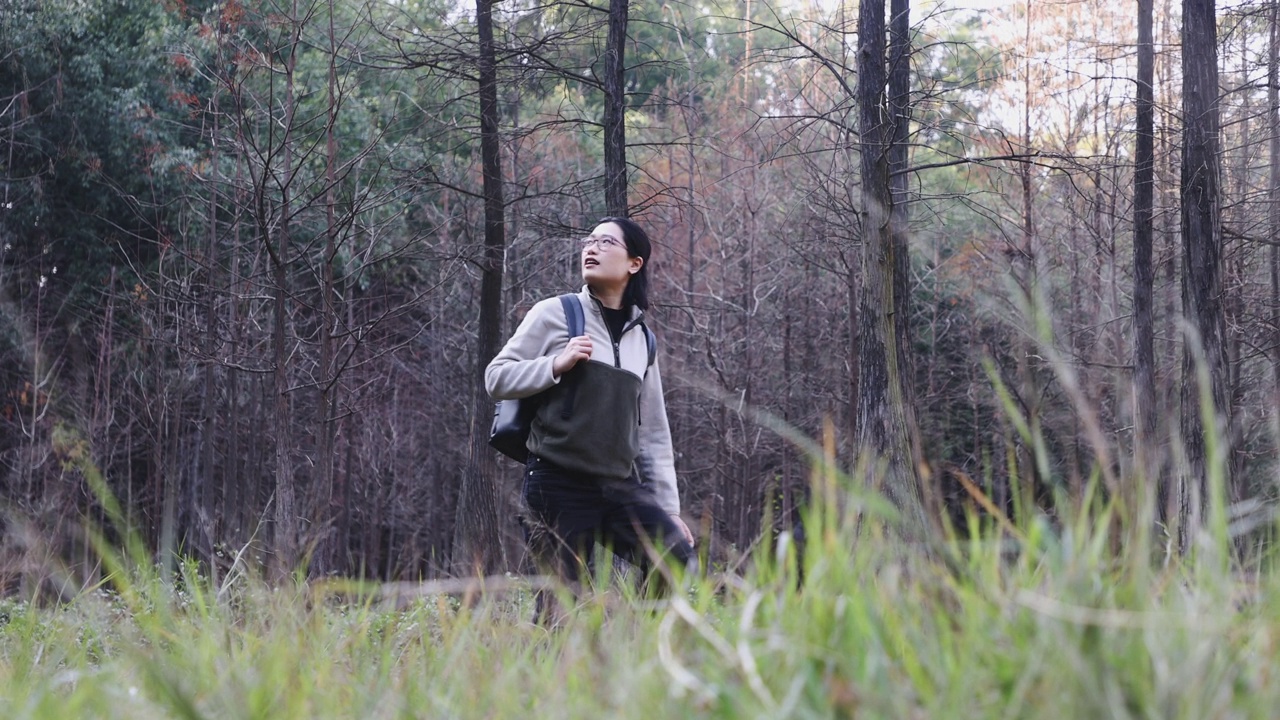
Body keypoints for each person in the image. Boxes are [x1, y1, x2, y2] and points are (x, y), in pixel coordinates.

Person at [484, 217, 694, 617]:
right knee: (560, 607)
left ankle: (641, 658)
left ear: (634, 263)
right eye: (589, 241)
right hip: (556, 482)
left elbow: (652, 433)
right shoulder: (556, 313)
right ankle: (550, 675)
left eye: (605, 242)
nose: (591, 248)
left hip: (618, 487)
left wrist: (668, 508)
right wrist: (554, 364)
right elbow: (496, 377)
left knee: (674, 556)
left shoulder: (642, 339)